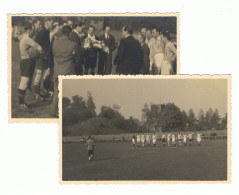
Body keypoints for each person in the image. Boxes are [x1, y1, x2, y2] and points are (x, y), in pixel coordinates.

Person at [50, 25, 80, 117]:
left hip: (57, 70)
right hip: (68, 71)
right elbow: (78, 59)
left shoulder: (55, 43)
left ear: (62, 32)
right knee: (67, 92)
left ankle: (53, 111)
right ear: (70, 33)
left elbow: (53, 54)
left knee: (56, 93)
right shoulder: (73, 44)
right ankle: (64, 112)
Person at [17, 24, 42, 112]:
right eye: (32, 30)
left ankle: (22, 102)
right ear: (29, 30)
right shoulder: (27, 38)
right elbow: (38, 46)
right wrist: (40, 51)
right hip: (27, 62)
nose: (33, 32)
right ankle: (21, 104)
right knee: (24, 82)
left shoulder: (24, 37)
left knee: (25, 82)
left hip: (25, 61)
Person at [32, 17, 53, 100]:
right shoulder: (43, 32)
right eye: (51, 23)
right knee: (39, 73)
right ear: (47, 23)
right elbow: (36, 43)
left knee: (46, 72)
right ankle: (35, 93)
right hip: (41, 56)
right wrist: (40, 50)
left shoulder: (47, 31)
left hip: (45, 56)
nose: (52, 25)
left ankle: (41, 90)